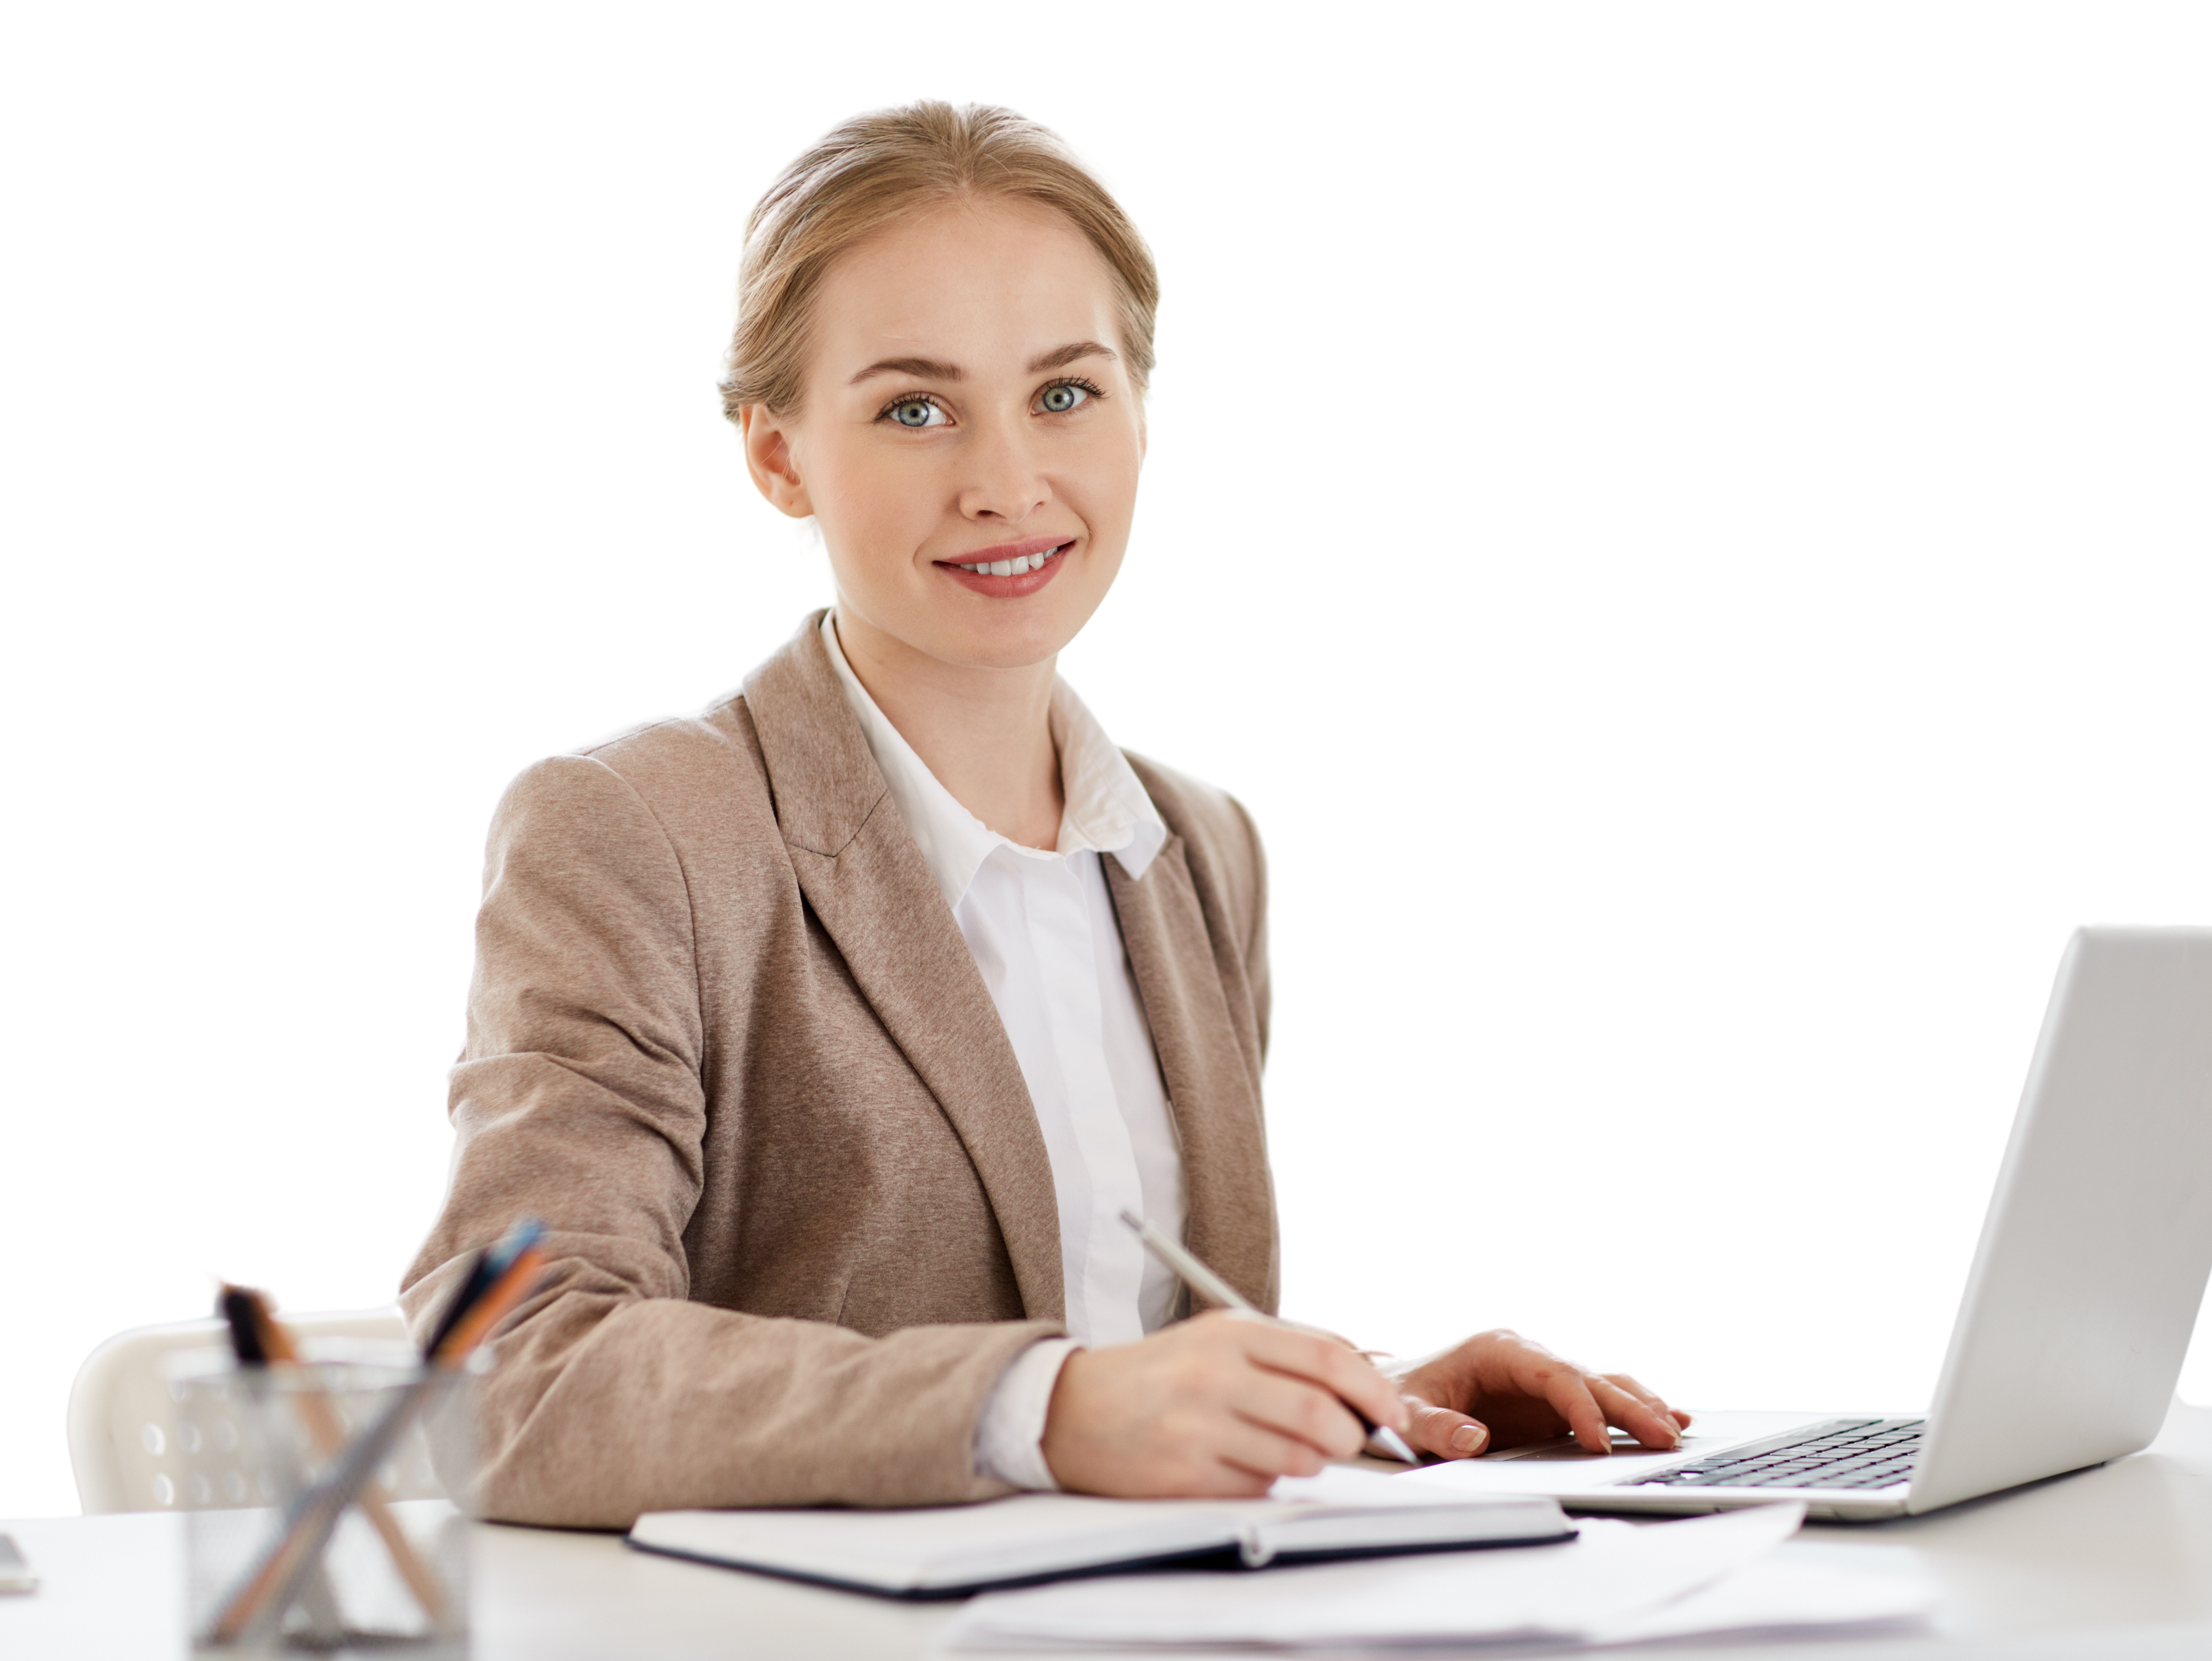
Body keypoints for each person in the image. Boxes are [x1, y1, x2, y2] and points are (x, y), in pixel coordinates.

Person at [400, 99, 1686, 1529]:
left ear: (1145, 410)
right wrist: (1047, 1405)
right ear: (778, 462)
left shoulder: (1199, 846)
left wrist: (1368, 1406)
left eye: (1065, 393)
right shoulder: (637, 829)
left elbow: (1125, 1360)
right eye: (913, 408)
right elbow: (492, 1371)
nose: (1008, 484)